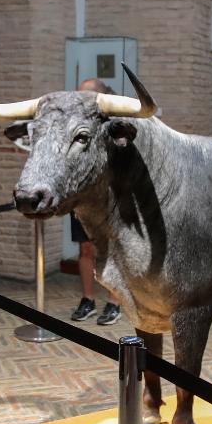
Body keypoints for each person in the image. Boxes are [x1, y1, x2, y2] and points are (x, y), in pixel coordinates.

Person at [68, 78, 121, 326]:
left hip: (111, 197)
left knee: (114, 250)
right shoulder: (70, 125)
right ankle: (87, 300)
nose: (79, 100)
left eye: (85, 96)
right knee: (85, 248)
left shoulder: (116, 126)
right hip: (83, 195)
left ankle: (115, 302)